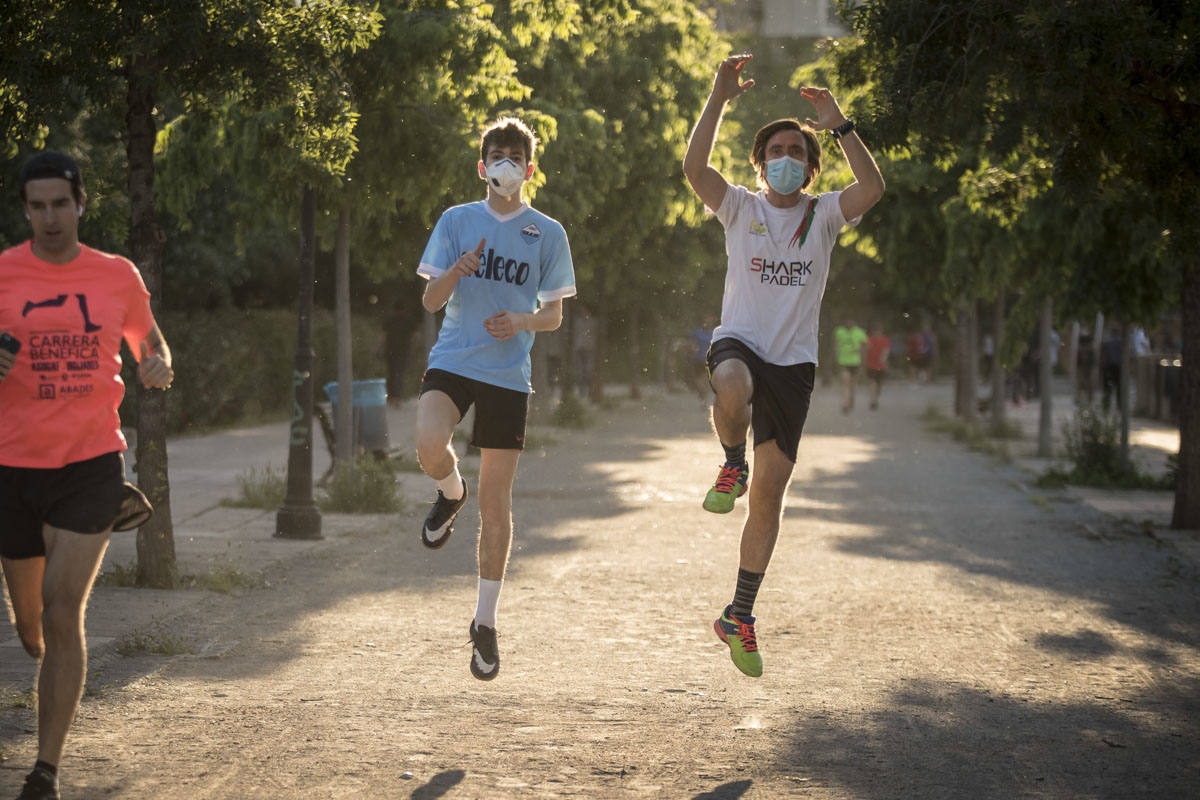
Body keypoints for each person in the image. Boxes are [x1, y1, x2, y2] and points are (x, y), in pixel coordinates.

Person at [682, 54, 884, 677]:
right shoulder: (741, 207)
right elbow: (694, 168)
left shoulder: (823, 215)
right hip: (740, 343)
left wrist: (839, 122)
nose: (786, 155)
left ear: (811, 162)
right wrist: (717, 97)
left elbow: (873, 189)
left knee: (769, 500)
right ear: (760, 160)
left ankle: (739, 614)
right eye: (776, 148)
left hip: (794, 367)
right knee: (731, 385)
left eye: (797, 148)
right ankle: (731, 463)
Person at [0, 151, 173, 800]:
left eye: (60, 204)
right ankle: (44, 662)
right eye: (37, 205)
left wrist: (157, 364)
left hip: (91, 463)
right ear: (26, 210)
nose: (49, 217)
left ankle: (46, 769)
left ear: (80, 205)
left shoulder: (115, 276)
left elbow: (151, 343)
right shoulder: (2, 275)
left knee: (63, 608)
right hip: (11, 466)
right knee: (30, 626)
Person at [414, 117, 576, 681]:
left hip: (509, 372)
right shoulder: (456, 221)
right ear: (482, 165)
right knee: (429, 445)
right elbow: (431, 302)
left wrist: (523, 320)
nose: (505, 163)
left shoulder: (547, 233)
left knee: (496, 499)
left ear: (530, 169)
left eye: (515, 155)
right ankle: (447, 490)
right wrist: (456, 271)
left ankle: (485, 622)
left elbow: (554, 314)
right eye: (496, 154)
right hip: (455, 358)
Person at [833, 317, 868, 413]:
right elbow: (836, 345)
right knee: (845, 383)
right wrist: (836, 356)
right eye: (847, 321)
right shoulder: (839, 331)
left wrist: (863, 362)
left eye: (851, 321)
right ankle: (845, 403)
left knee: (853, 385)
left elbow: (864, 347)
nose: (849, 323)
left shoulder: (860, 332)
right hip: (843, 362)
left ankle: (851, 399)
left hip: (856, 362)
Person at [864, 322, 890, 410]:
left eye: (878, 331)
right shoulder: (869, 339)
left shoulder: (885, 340)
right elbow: (865, 349)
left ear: (881, 331)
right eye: (876, 331)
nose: (877, 333)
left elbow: (886, 351)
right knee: (872, 382)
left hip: (881, 365)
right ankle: (873, 401)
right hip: (870, 364)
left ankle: (875, 396)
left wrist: (883, 359)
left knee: (879, 384)